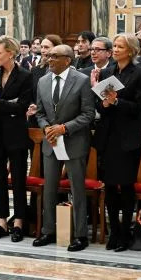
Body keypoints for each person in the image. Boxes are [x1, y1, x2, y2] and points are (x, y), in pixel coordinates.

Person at [33, 44, 96, 252]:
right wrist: (47, 129)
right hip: (51, 142)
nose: (49, 59)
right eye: (48, 56)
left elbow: (88, 114)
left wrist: (64, 128)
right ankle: (48, 230)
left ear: (67, 60)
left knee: (77, 189)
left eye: (54, 56)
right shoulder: (42, 81)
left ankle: (80, 235)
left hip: (73, 141)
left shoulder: (81, 80)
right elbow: (40, 113)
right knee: (49, 188)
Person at [91, 34, 141, 251]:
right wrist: (104, 104)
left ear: (131, 50)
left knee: (125, 187)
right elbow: (99, 105)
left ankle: (126, 232)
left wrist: (117, 101)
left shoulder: (140, 73)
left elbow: (140, 107)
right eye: (114, 46)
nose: (115, 50)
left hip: (128, 138)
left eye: (119, 46)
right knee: (109, 187)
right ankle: (113, 231)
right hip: (108, 137)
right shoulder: (108, 72)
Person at [0, 36, 34, 243]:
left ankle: (19, 221)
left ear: (10, 53)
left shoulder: (25, 76)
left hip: (16, 133)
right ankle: (1, 221)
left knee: (19, 179)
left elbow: (21, 107)